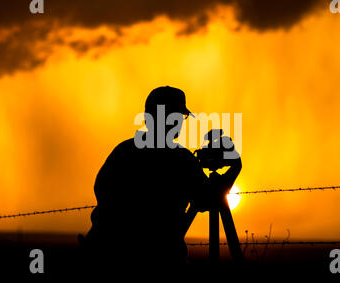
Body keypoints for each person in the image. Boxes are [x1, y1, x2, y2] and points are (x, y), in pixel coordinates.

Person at [83, 86, 241, 271]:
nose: (181, 123)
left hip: (104, 256)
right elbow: (208, 199)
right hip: (159, 260)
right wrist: (235, 166)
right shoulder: (180, 160)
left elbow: (101, 190)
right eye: (180, 117)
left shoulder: (122, 151)